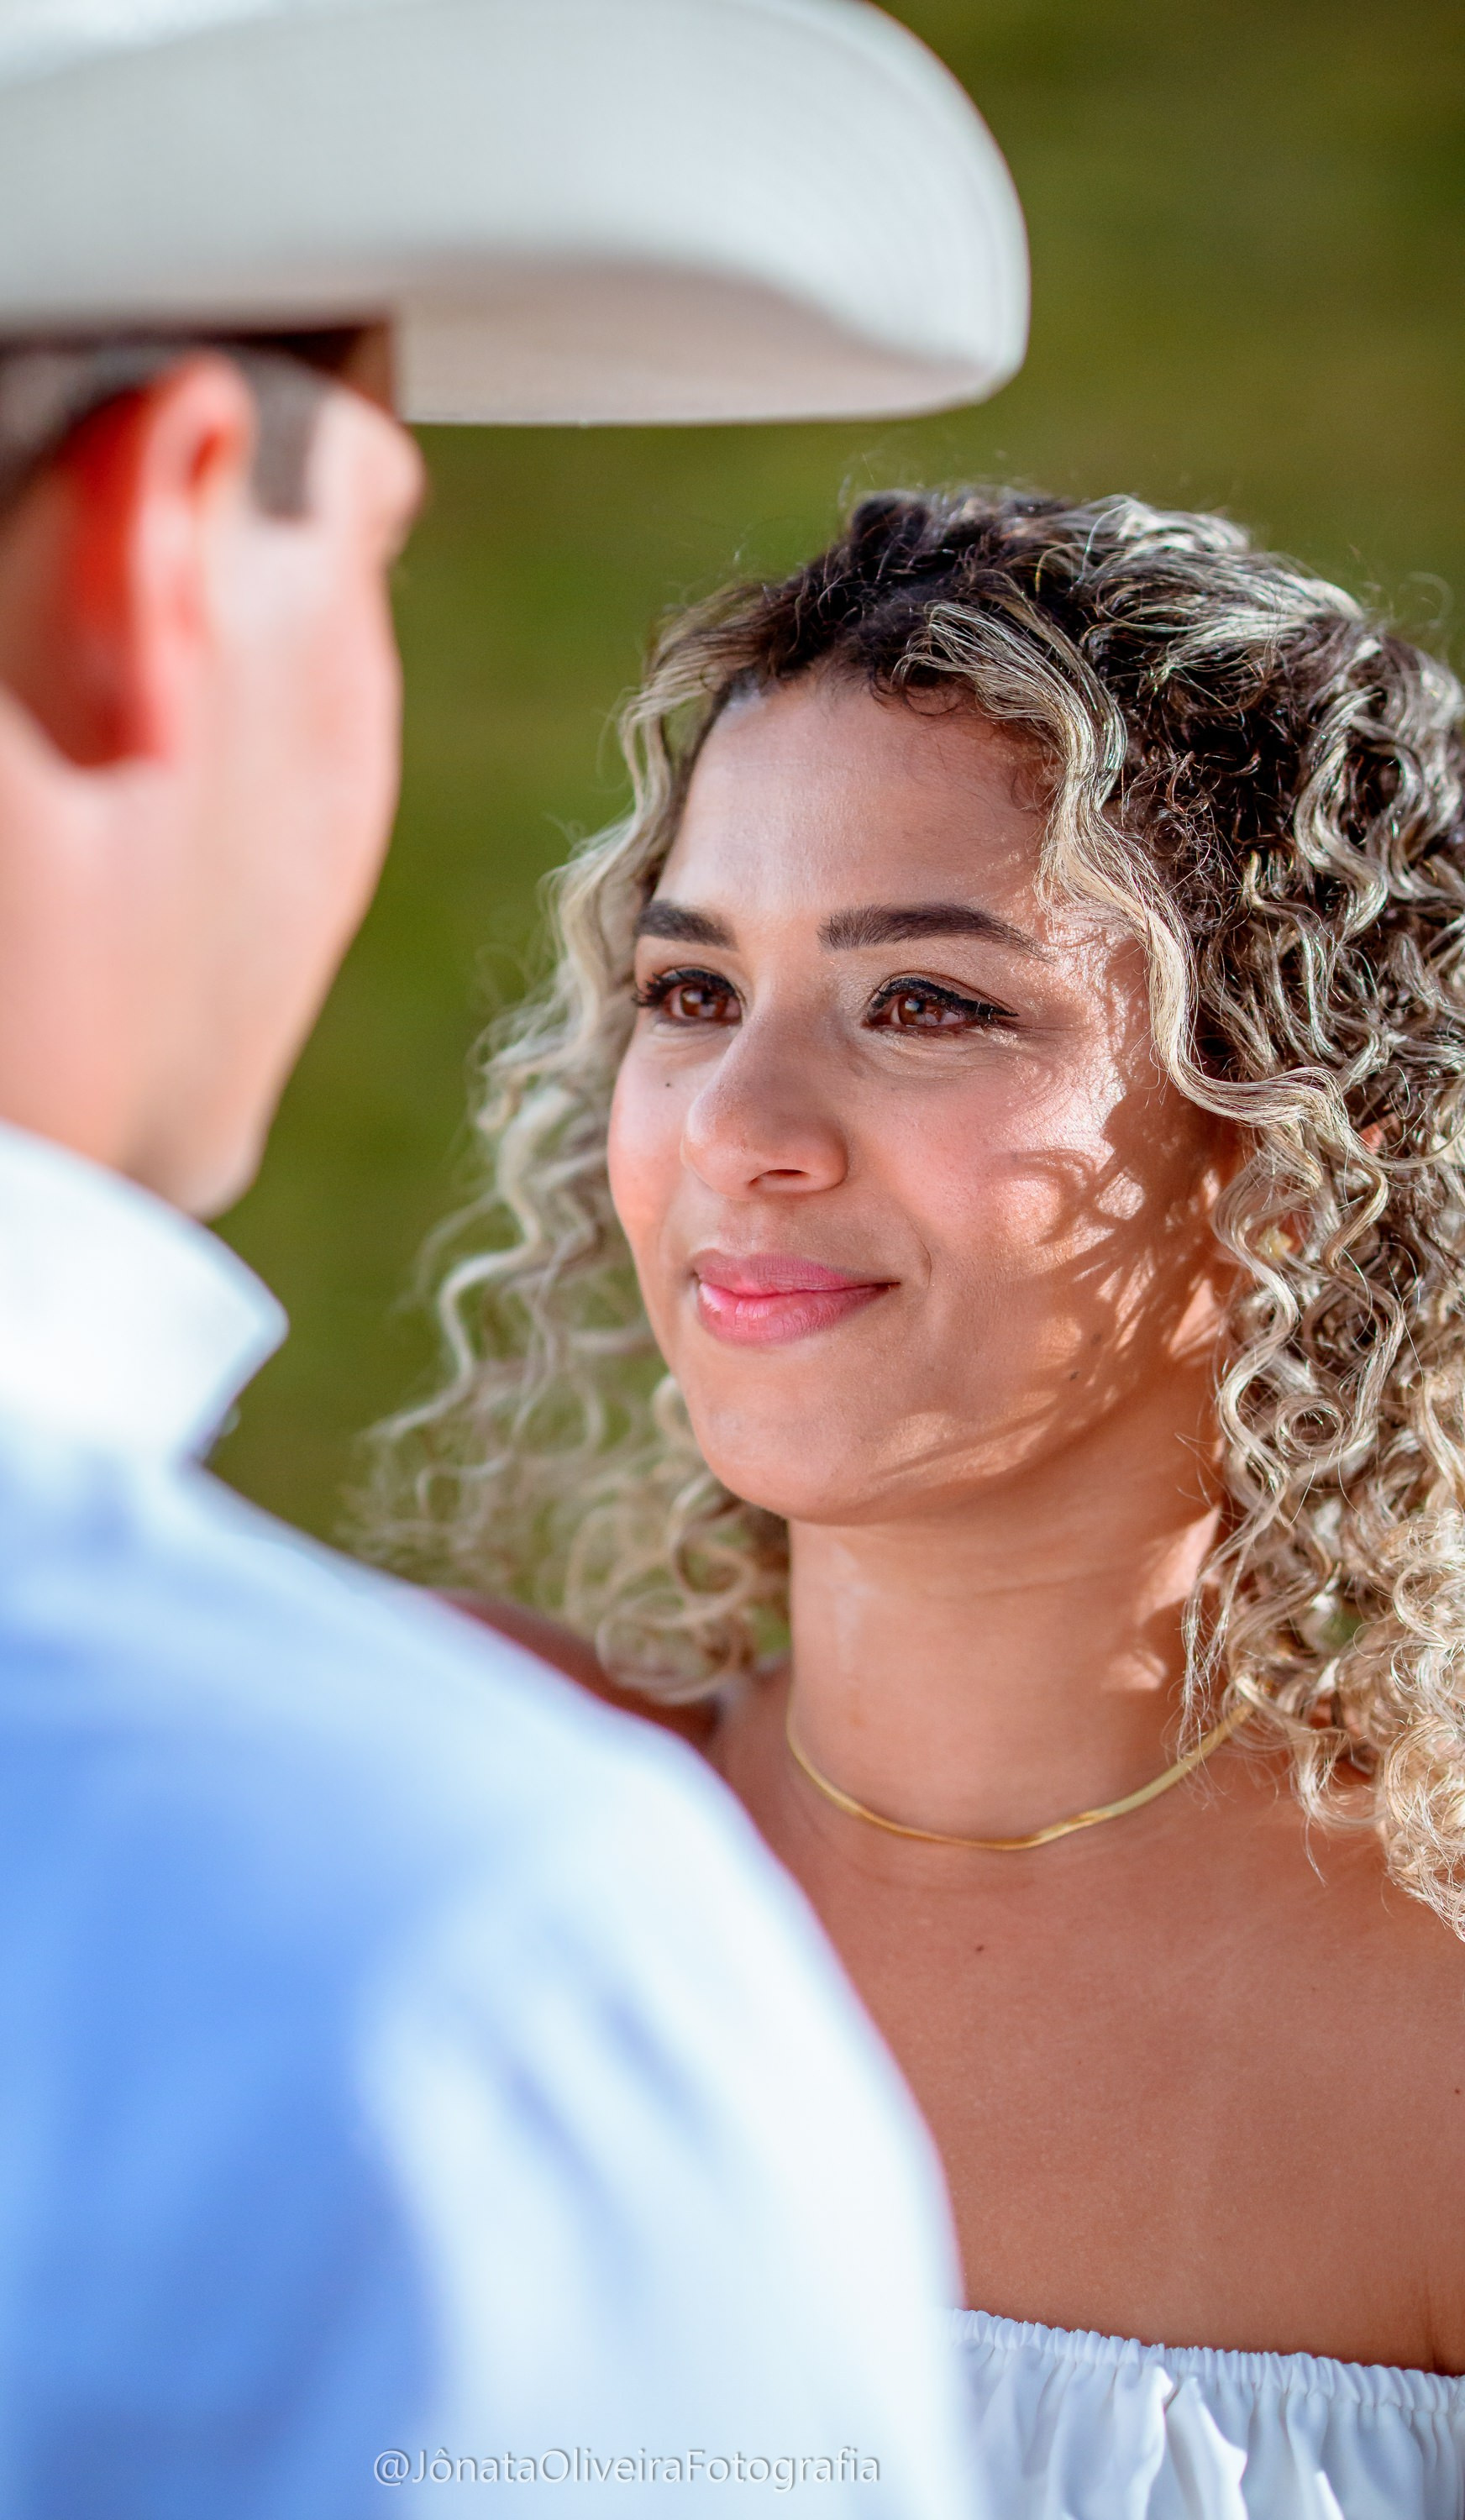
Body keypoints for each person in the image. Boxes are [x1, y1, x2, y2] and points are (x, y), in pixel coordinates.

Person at [0, 4, 1032, 2512]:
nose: (747, 1129)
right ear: (152, 544)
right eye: (368, 543)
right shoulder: (445, 1986)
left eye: (923, 1000)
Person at [375, 486, 1465, 2519]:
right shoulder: (414, 1812)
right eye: (693, 993)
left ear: (1306, 1149)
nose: (738, 1131)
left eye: (929, 1004)